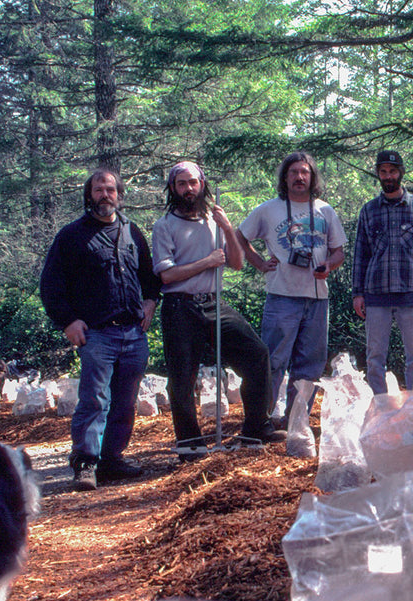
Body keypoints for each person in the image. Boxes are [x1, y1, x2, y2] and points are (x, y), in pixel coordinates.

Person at [152, 161, 285, 459]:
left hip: (213, 302)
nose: (188, 189)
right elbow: (167, 276)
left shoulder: (213, 222)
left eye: (193, 183)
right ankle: (190, 443)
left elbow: (236, 263)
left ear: (202, 185)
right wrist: (207, 262)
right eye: (182, 184)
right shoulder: (164, 225)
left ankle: (256, 427)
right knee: (182, 376)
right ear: (173, 188)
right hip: (179, 306)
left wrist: (226, 228)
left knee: (256, 354)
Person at [40, 169, 161, 490]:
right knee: (94, 400)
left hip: (134, 334)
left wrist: (150, 302)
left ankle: (111, 460)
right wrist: (68, 321)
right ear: (89, 195)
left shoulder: (132, 232)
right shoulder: (71, 236)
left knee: (125, 401)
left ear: (119, 195)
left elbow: (150, 277)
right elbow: (51, 286)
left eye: (110, 189)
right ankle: (85, 463)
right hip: (96, 334)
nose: (105, 195)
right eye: (98, 190)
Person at [236, 152, 346, 418]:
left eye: (304, 172)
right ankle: (262, 420)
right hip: (281, 296)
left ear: (312, 177)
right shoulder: (268, 209)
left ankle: (297, 420)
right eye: (294, 172)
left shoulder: (325, 210)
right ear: (285, 178)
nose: (299, 177)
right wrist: (259, 263)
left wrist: (328, 266)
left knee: (310, 365)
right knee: (273, 361)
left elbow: (338, 252)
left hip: (317, 298)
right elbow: (239, 236)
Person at [352, 150, 413, 393]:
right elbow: (360, 253)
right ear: (378, 174)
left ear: (401, 173)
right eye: (383, 172)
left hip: (412, 293)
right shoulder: (369, 210)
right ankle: (380, 407)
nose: (388, 176)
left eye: (392, 171)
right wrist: (357, 293)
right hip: (375, 294)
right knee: (374, 358)